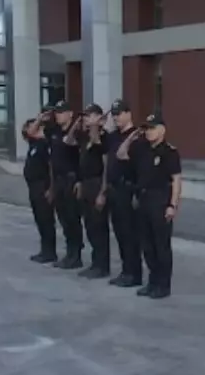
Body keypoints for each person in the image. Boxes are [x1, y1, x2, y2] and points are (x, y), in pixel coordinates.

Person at [126, 112, 182, 298]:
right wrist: (133, 137)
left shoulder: (169, 152)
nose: (148, 132)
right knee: (147, 245)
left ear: (162, 129)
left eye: (151, 128)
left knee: (161, 246)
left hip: (160, 201)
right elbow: (121, 155)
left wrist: (172, 205)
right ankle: (152, 281)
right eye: (146, 129)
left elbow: (176, 180)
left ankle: (163, 285)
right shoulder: (142, 149)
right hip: (143, 200)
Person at [104, 100, 142, 287]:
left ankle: (134, 273)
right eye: (114, 114)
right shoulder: (113, 136)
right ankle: (126, 270)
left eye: (119, 113)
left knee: (130, 234)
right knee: (119, 233)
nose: (116, 117)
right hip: (114, 190)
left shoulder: (137, 137)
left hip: (128, 190)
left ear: (129, 113)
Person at [76, 103, 111, 279]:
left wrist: (102, 193)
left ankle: (102, 266)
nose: (86, 119)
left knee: (99, 226)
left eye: (90, 115)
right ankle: (95, 263)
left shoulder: (104, 137)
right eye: (85, 116)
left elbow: (107, 166)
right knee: (89, 225)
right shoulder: (84, 137)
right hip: (87, 183)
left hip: (98, 184)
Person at [48, 101, 84, 269]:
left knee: (72, 218)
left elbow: (82, 160)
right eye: (57, 112)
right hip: (59, 180)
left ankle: (76, 255)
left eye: (61, 112)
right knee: (63, 218)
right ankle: (70, 253)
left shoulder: (76, 133)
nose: (58, 115)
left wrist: (79, 180)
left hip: (71, 180)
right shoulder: (54, 132)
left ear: (70, 114)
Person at [22, 116, 56, 263]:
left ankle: (50, 252)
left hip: (43, 186)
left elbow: (51, 168)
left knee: (46, 219)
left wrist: (51, 188)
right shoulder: (33, 144)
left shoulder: (44, 144)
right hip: (33, 187)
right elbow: (28, 133)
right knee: (39, 220)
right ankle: (44, 249)